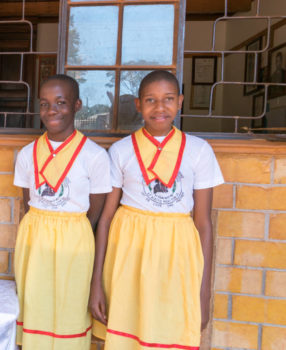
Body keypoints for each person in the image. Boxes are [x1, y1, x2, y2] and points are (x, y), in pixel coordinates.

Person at [89, 70, 223, 349]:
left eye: (168, 99)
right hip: (128, 252)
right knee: (128, 332)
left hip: (177, 255)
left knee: (169, 332)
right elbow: (106, 219)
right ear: (138, 105)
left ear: (180, 101)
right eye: (150, 100)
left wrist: (204, 292)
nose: (160, 107)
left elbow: (203, 223)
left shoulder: (199, 150)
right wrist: (96, 283)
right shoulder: (121, 150)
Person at [13, 74, 111, 350]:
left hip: (75, 242)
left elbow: (95, 212)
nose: (51, 110)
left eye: (61, 102)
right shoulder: (27, 154)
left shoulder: (94, 156)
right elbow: (27, 203)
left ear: (77, 105)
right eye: (44, 104)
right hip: (35, 240)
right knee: (35, 307)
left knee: (70, 311)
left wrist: (68, 229)